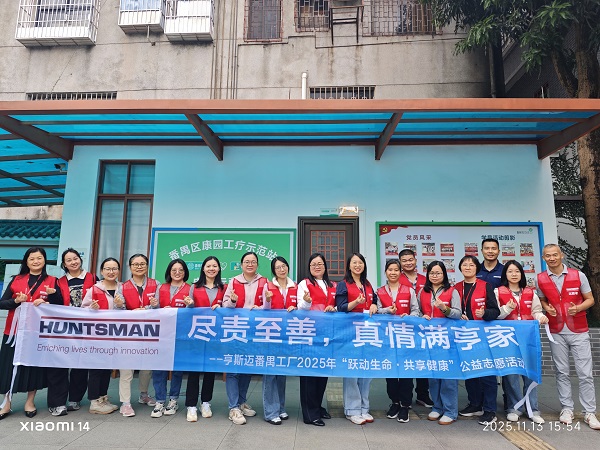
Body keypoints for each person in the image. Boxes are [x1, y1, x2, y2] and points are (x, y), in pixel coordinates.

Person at [537, 244, 600, 430]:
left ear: (561, 255)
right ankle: (567, 409)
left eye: (555, 255)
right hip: (556, 331)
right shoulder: (540, 278)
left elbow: (590, 299)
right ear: (543, 258)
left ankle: (589, 412)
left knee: (585, 373)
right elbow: (542, 299)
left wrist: (578, 308)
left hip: (578, 330)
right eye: (548, 256)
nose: (552, 258)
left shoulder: (578, 275)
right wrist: (546, 307)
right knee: (561, 372)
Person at [0, 247, 63, 420]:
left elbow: (60, 305)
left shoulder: (52, 281)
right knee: (9, 366)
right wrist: (16, 301)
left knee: (33, 367)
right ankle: (7, 402)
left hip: (37, 332)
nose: (36, 261)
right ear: (26, 262)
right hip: (14, 332)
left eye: (39, 258)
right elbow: (2, 303)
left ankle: (30, 401)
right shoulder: (16, 279)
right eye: (32, 258)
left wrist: (50, 298)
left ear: (45, 260)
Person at [495, 260, 547, 424]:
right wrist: (507, 308)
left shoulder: (530, 292)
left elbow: (536, 311)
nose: (514, 274)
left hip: (528, 338)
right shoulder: (498, 291)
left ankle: (533, 409)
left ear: (521, 274)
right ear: (505, 274)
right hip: (507, 339)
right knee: (511, 375)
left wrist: (541, 317)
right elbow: (495, 315)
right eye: (510, 271)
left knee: (530, 374)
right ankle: (514, 408)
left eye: (517, 271)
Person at [48, 248, 98, 415]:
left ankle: (75, 398)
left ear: (80, 259)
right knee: (60, 365)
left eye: (75, 258)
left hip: (86, 329)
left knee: (80, 365)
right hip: (65, 329)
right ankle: (57, 402)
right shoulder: (59, 282)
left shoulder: (92, 278)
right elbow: (56, 305)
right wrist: (51, 296)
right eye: (69, 260)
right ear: (64, 264)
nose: (73, 262)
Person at [222, 251, 266, 425]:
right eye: (247, 261)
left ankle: (241, 401)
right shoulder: (233, 281)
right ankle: (233, 408)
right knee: (233, 369)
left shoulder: (264, 282)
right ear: (241, 264)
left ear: (257, 265)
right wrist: (233, 301)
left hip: (254, 330)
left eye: (253, 261)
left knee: (247, 366)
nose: (250, 264)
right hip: (236, 329)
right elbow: (225, 305)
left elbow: (269, 304)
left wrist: (261, 307)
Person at [456, 255, 500, 425]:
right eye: (465, 265)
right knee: (470, 372)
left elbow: (495, 311)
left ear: (477, 268)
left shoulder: (485, 286)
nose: (468, 267)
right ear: (460, 268)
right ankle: (475, 404)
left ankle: (489, 410)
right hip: (464, 336)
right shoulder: (456, 288)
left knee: (487, 374)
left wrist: (484, 313)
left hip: (483, 337)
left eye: (471, 265)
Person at [417, 260, 462, 425]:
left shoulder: (452, 291)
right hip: (429, 339)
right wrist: (421, 316)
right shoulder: (422, 291)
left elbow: (458, 313)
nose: (435, 276)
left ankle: (450, 411)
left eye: (438, 273)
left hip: (447, 340)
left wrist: (444, 308)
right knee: (434, 376)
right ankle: (437, 406)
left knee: (448, 376)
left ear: (444, 274)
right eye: (432, 273)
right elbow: (417, 311)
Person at [336, 252, 379, 425]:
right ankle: (352, 410)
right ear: (349, 266)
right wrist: (356, 302)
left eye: (360, 262)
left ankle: (364, 408)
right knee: (352, 371)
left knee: (366, 371)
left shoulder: (367, 284)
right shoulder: (343, 284)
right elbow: (341, 307)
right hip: (350, 333)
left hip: (367, 333)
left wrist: (374, 304)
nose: (357, 265)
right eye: (354, 262)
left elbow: (374, 299)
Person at [182, 255, 225, 422]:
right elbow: (189, 309)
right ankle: (191, 405)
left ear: (219, 269)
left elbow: (229, 307)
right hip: (197, 333)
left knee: (210, 370)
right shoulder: (195, 287)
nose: (211, 269)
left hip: (215, 335)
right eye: (208, 266)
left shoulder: (223, 287)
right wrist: (189, 303)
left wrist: (222, 306)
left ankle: (206, 402)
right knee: (194, 370)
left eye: (214, 266)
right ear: (203, 268)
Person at [376, 259, 419, 423]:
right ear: (385, 272)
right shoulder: (379, 291)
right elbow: (376, 311)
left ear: (400, 272)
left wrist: (409, 316)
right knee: (391, 372)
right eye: (390, 270)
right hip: (387, 338)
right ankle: (394, 402)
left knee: (406, 372)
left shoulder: (409, 291)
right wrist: (387, 310)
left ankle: (405, 405)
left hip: (406, 337)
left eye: (396, 270)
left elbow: (416, 311)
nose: (393, 272)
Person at [116, 253, 158, 417]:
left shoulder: (155, 284)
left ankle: (144, 394)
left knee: (147, 367)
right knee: (126, 368)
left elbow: (159, 306)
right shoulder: (122, 286)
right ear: (130, 267)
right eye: (135, 264)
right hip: (129, 332)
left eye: (142, 264)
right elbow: (118, 309)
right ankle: (125, 403)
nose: (139, 267)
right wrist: (122, 306)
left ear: (147, 266)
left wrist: (148, 308)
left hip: (149, 332)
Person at [296, 252, 336, 426]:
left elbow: (338, 306)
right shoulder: (304, 284)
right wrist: (306, 301)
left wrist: (334, 309)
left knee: (322, 374)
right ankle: (309, 414)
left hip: (327, 336)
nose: (317, 267)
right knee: (309, 375)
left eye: (320, 264)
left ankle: (318, 407)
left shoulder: (332, 285)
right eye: (313, 264)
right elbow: (300, 307)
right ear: (309, 267)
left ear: (325, 267)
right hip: (309, 335)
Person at [81, 257, 122, 415]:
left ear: (118, 271)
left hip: (115, 335)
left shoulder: (122, 288)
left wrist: (120, 306)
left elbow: (128, 310)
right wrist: (91, 308)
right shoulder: (94, 289)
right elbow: (82, 310)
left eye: (114, 268)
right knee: (96, 368)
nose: (111, 272)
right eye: (107, 269)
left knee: (107, 368)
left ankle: (103, 398)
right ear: (102, 271)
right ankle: (94, 401)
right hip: (97, 336)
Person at [150, 259, 189, 418]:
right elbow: (154, 309)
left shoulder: (190, 288)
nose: (177, 273)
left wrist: (189, 305)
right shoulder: (161, 287)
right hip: (162, 334)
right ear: (169, 272)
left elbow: (193, 311)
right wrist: (156, 306)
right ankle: (160, 400)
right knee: (159, 369)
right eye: (174, 270)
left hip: (180, 335)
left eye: (181, 270)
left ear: (185, 272)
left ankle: (173, 400)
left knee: (177, 369)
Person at [260, 256, 297, 425]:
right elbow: (264, 309)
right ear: (273, 271)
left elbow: (301, 307)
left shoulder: (295, 286)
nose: (281, 270)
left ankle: (281, 407)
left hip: (287, 335)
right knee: (270, 374)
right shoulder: (268, 286)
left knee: (281, 372)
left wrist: (296, 308)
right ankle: (270, 412)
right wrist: (267, 299)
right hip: (271, 334)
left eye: (284, 266)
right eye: (278, 267)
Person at [398, 248, 432, 407]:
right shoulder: (396, 278)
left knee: (423, 361)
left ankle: (423, 395)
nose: (408, 263)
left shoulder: (426, 279)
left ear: (416, 260)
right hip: (405, 327)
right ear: (400, 263)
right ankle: (405, 398)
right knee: (407, 362)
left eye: (410, 260)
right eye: (404, 261)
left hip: (425, 326)